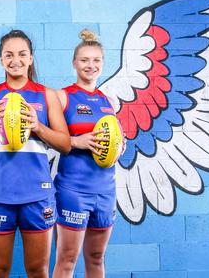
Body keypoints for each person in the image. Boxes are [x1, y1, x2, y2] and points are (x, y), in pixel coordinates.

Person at [0, 30, 71, 278]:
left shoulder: (47, 95)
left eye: (22, 54)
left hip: (37, 195)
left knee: (37, 271)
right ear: (1, 59)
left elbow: (65, 144)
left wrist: (37, 126)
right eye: (9, 55)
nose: (16, 60)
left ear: (31, 58)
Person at [52, 29, 119, 278]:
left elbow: (116, 138)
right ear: (74, 63)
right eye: (84, 60)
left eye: (96, 60)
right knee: (67, 260)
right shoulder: (62, 97)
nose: (90, 66)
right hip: (73, 190)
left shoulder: (108, 101)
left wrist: (119, 147)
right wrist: (76, 141)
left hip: (105, 189)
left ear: (102, 64)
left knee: (96, 258)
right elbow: (45, 138)